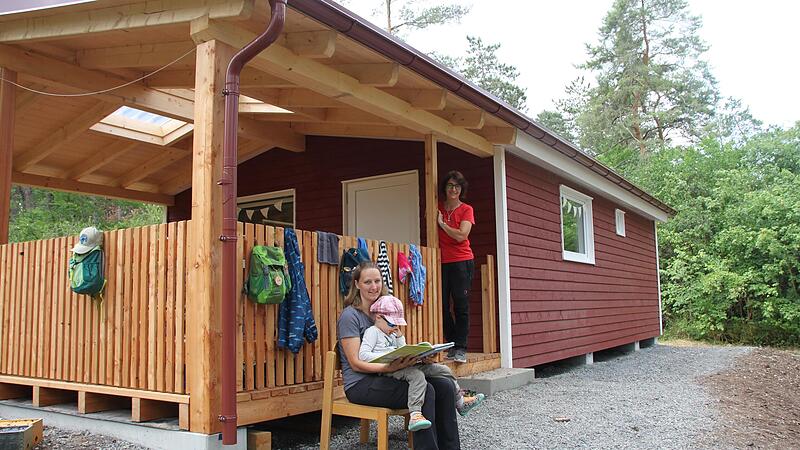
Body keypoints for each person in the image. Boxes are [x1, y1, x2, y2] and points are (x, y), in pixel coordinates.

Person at [338, 262, 461, 449]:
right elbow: (355, 363)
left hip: (389, 375)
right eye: (367, 282)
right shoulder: (350, 316)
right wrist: (389, 367)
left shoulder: (385, 311)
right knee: (427, 391)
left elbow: (394, 348)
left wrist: (419, 358)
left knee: (444, 386)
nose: (374, 287)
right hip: (361, 383)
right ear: (356, 284)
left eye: (377, 281)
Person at [359, 295, 485, 431]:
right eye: (392, 323)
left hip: (403, 363)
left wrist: (403, 340)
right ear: (378, 317)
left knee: (443, 370)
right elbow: (363, 355)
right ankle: (415, 414)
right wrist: (387, 356)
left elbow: (402, 349)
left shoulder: (391, 333)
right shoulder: (372, 332)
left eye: (397, 324)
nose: (395, 327)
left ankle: (460, 403)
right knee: (417, 375)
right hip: (389, 369)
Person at [437, 171, 475, 363]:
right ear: (445, 188)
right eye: (450, 185)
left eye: (457, 186)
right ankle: (451, 344)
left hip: (462, 261)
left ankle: (460, 347)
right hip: (440, 262)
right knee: (442, 305)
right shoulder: (437, 207)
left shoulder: (466, 209)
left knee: (461, 305)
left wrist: (443, 225)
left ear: (461, 189)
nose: (454, 189)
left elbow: (462, 235)